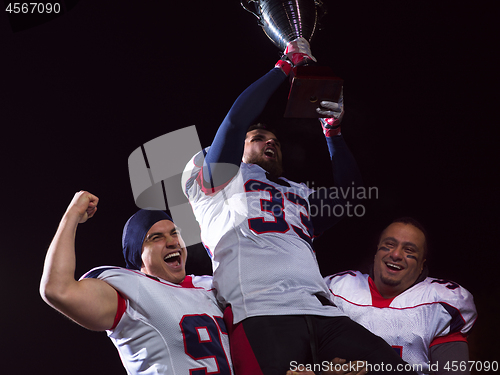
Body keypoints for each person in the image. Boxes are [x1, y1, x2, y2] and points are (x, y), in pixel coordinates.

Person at [183, 38, 417, 374]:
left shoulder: (296, 192)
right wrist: (285, 65)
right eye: (259, 138)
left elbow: (349, 196)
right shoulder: (217, 183)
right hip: (261, 310)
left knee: (393, 369)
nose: (271, 143)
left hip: (323, 311)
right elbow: (235, 122)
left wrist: (333, 133)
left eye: (275, 142)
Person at [39, 191, 233, 374]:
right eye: (155, 238)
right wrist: (71, 215)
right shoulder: (131, 290)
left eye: (174, 233)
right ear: (137, 255)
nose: (173, 241)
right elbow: (58, 289)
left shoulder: (212, 286)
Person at [324, 217, 477, 375]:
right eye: (389, 245)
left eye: (409, 250)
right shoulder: (335, 290)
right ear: (376, 252)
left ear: (421, 265)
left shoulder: (441, 303)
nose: (396, 254)